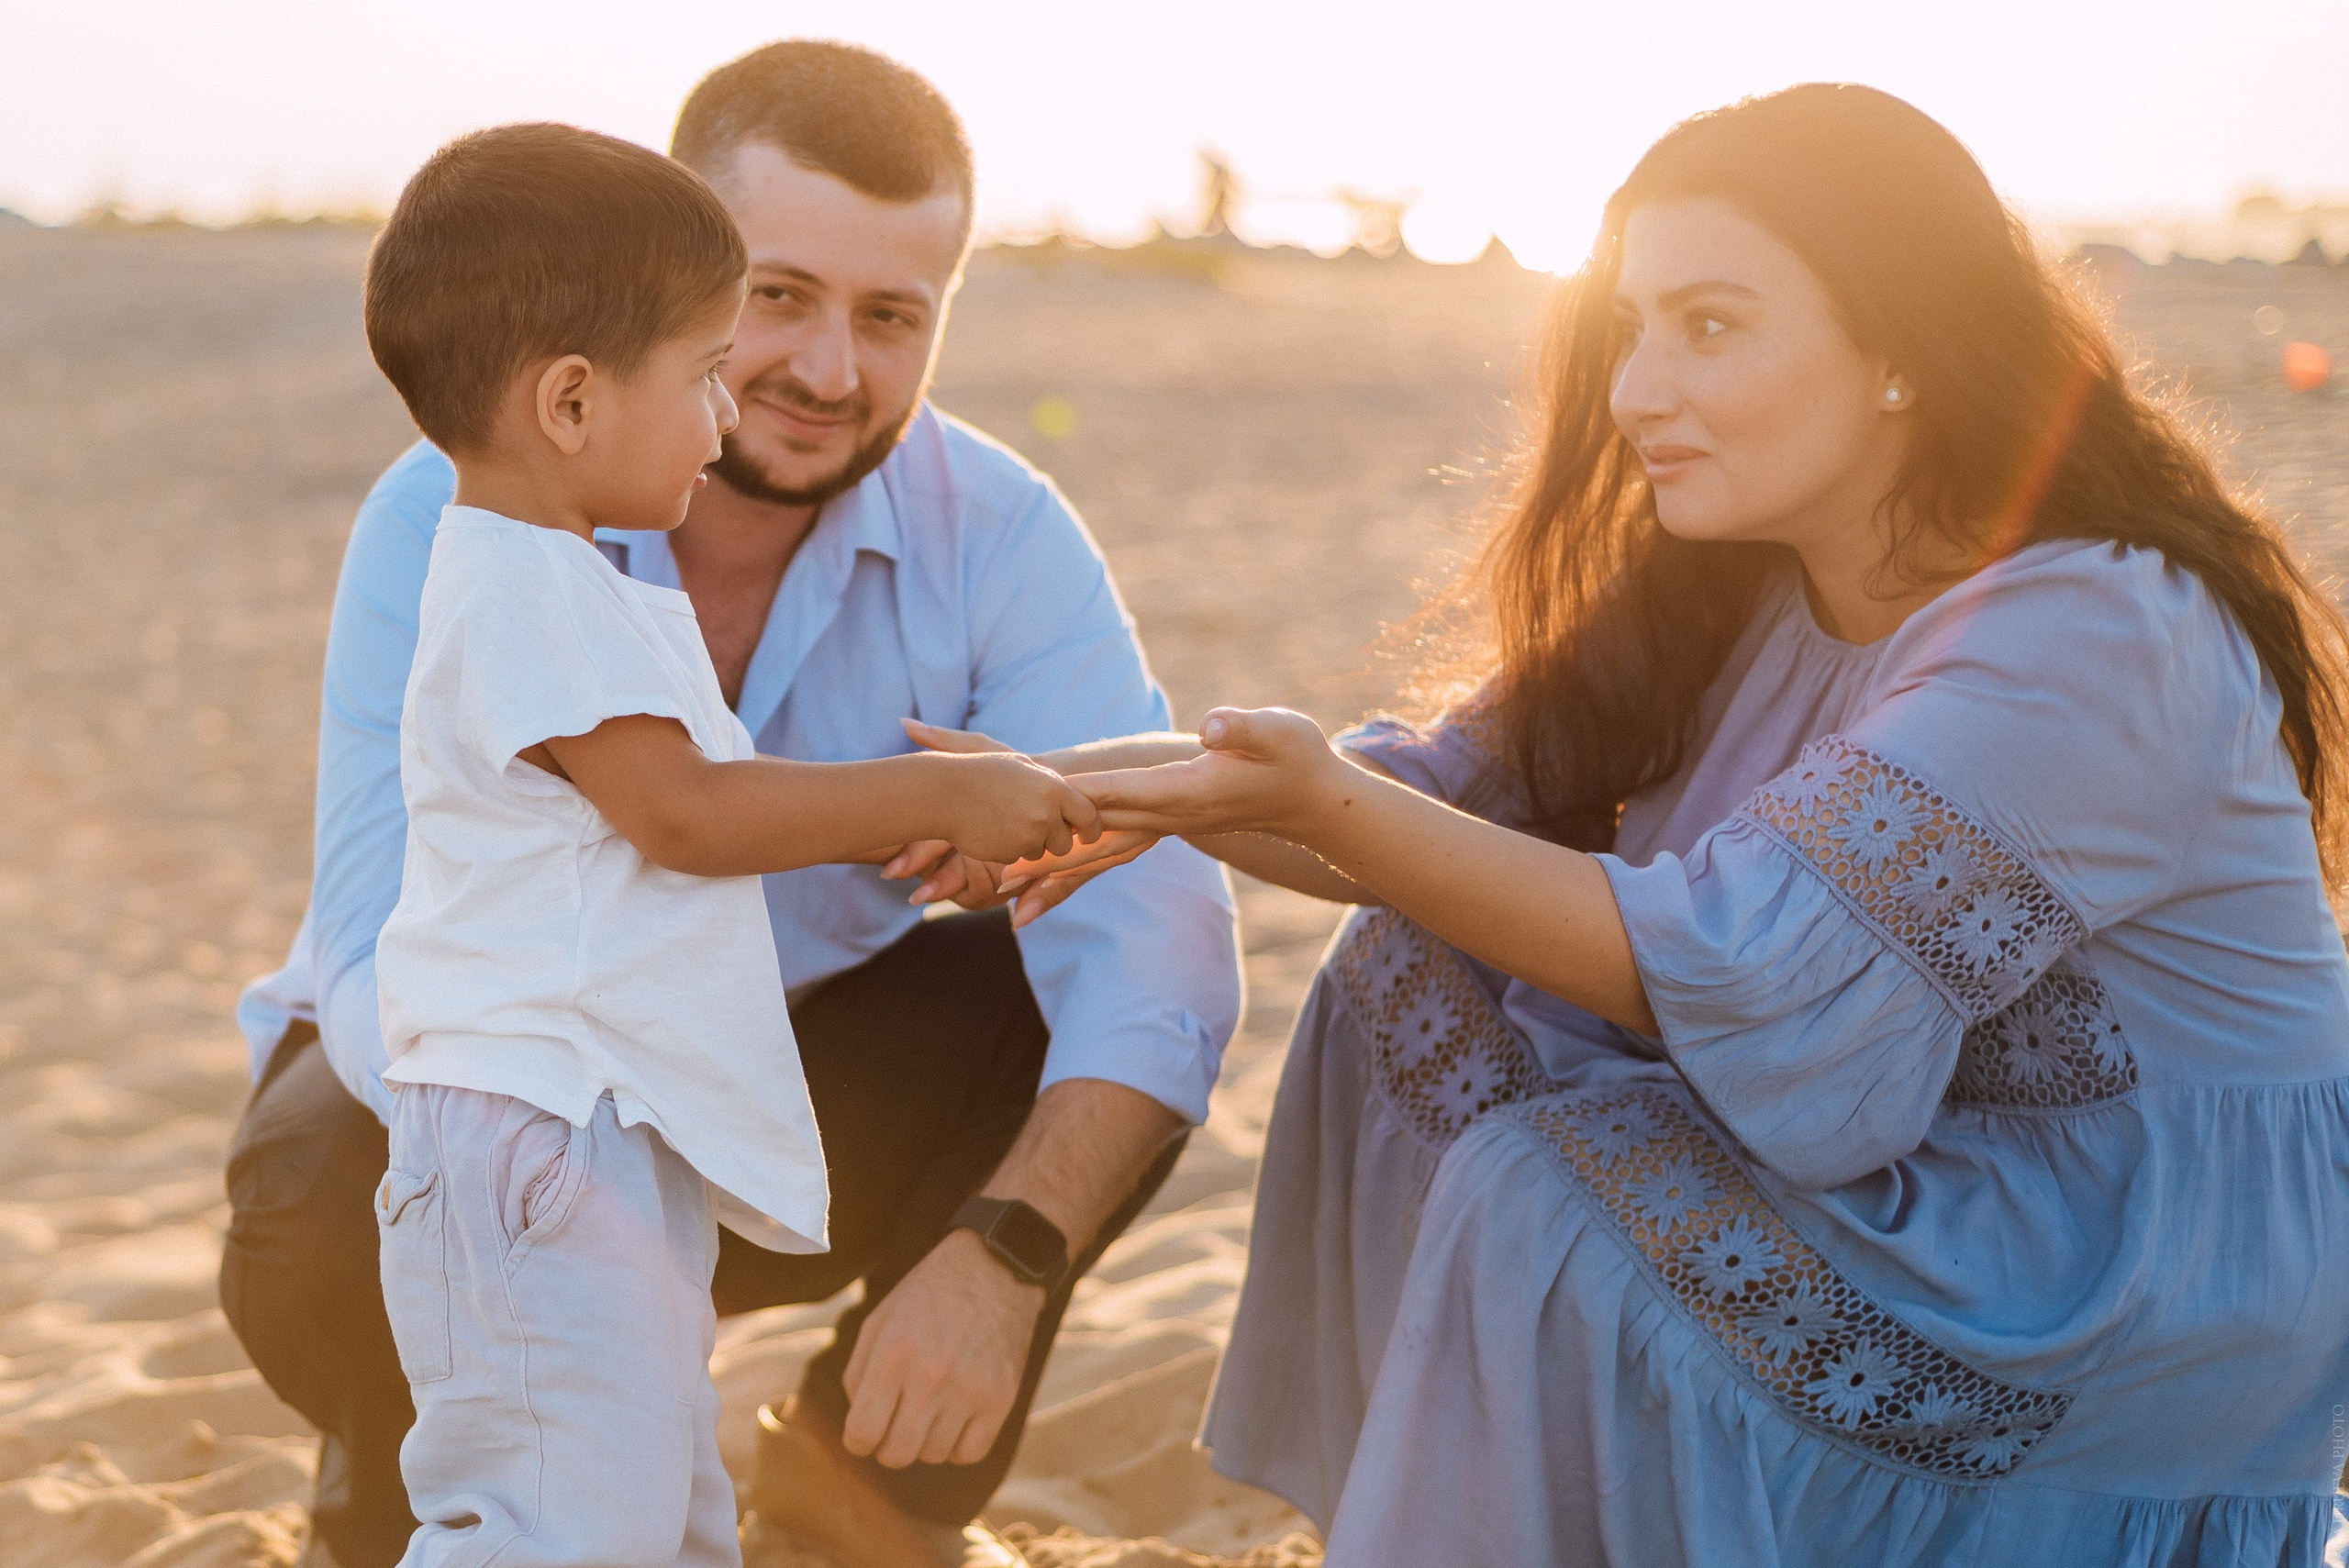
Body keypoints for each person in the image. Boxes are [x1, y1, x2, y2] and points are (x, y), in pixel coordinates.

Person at [985, 84, 2349, 1564]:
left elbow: (1740, 969)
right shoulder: (1751, 581)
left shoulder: (2094, 627)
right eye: (1631, 326)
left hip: (2128, 1269)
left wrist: (1326, 799)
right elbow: (1421, 796)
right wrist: (1074, 785)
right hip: (1934, 1179)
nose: (1636, 389)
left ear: (1901, 350)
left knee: (1550, 1201)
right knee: (1407, 982)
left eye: (1709, 327)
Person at [221, 42, 1241, 1568]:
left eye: (892, 316)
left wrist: (1009, 1252)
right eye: (769, 302)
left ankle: (857, 1493)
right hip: (501, 1116)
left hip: (774, 1112)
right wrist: (568, 1208)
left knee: (1076, 1000)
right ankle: (419, 1483)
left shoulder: (1008, 534)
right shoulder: (462, 524)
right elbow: (418, 926)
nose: (829, 372)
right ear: (669, 271)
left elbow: (1165, 949)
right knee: (327, 1195)